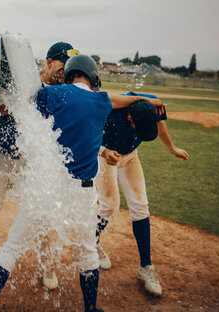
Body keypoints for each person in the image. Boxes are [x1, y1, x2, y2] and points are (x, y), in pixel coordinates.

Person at [0, 55, 164, 312]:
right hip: (81, 192)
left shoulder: (52, 94)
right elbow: (123, 99)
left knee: (11, 247)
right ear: (93, 77)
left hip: (47, 185)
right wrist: (145, 99)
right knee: (86, 253)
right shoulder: (101, 100)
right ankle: (90, 309)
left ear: (70, 73)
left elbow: (21, 102)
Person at [0, 42, 79, 290]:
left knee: (39, 210)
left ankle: (47, 265)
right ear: (49, 62)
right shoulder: (22, 77)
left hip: (28, 158)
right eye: (63, 67)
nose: (66, 73)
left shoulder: (64, 92)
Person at [94, 92, 189, 296]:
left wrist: (172, 148)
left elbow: (160, 122)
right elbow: (87, 131)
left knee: (140, 205)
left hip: (130, 156)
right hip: (106, 155)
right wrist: (103, 150)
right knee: (110, 205)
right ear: (129, 117)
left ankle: (146, 267)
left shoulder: (152, 102)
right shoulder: (111, 109)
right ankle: (90, 243)